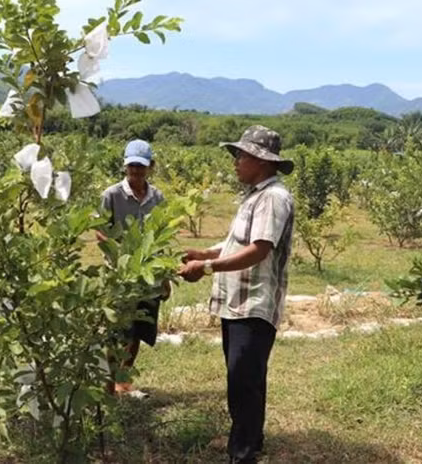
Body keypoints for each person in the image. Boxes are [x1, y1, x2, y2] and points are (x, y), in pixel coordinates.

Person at [178, 125, 294, 464]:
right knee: (248, 379)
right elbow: (237, 243)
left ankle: (241, 455)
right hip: (238, 304)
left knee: (242, 383)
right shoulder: (256, 195)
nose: (235, 162)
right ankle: (252, 442)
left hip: (253, 306)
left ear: (261, 160)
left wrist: (208, 269)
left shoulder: (273, 198)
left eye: (241, 156)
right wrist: (203, 253)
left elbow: (259, 250)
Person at [97, 139, 168, 398]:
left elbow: (161, 235)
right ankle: (109, 384)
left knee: (138, 327)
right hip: (120, 275)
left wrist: (164, 276)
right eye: (131, 167)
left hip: (148, 276)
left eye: (141, 166)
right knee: (117, 330)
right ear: (125, 167)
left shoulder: (157, 197)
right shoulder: (112, 195)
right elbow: (101, 232)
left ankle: (123, 381)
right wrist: (120, 257)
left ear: (151, 166)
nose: (136, 171)